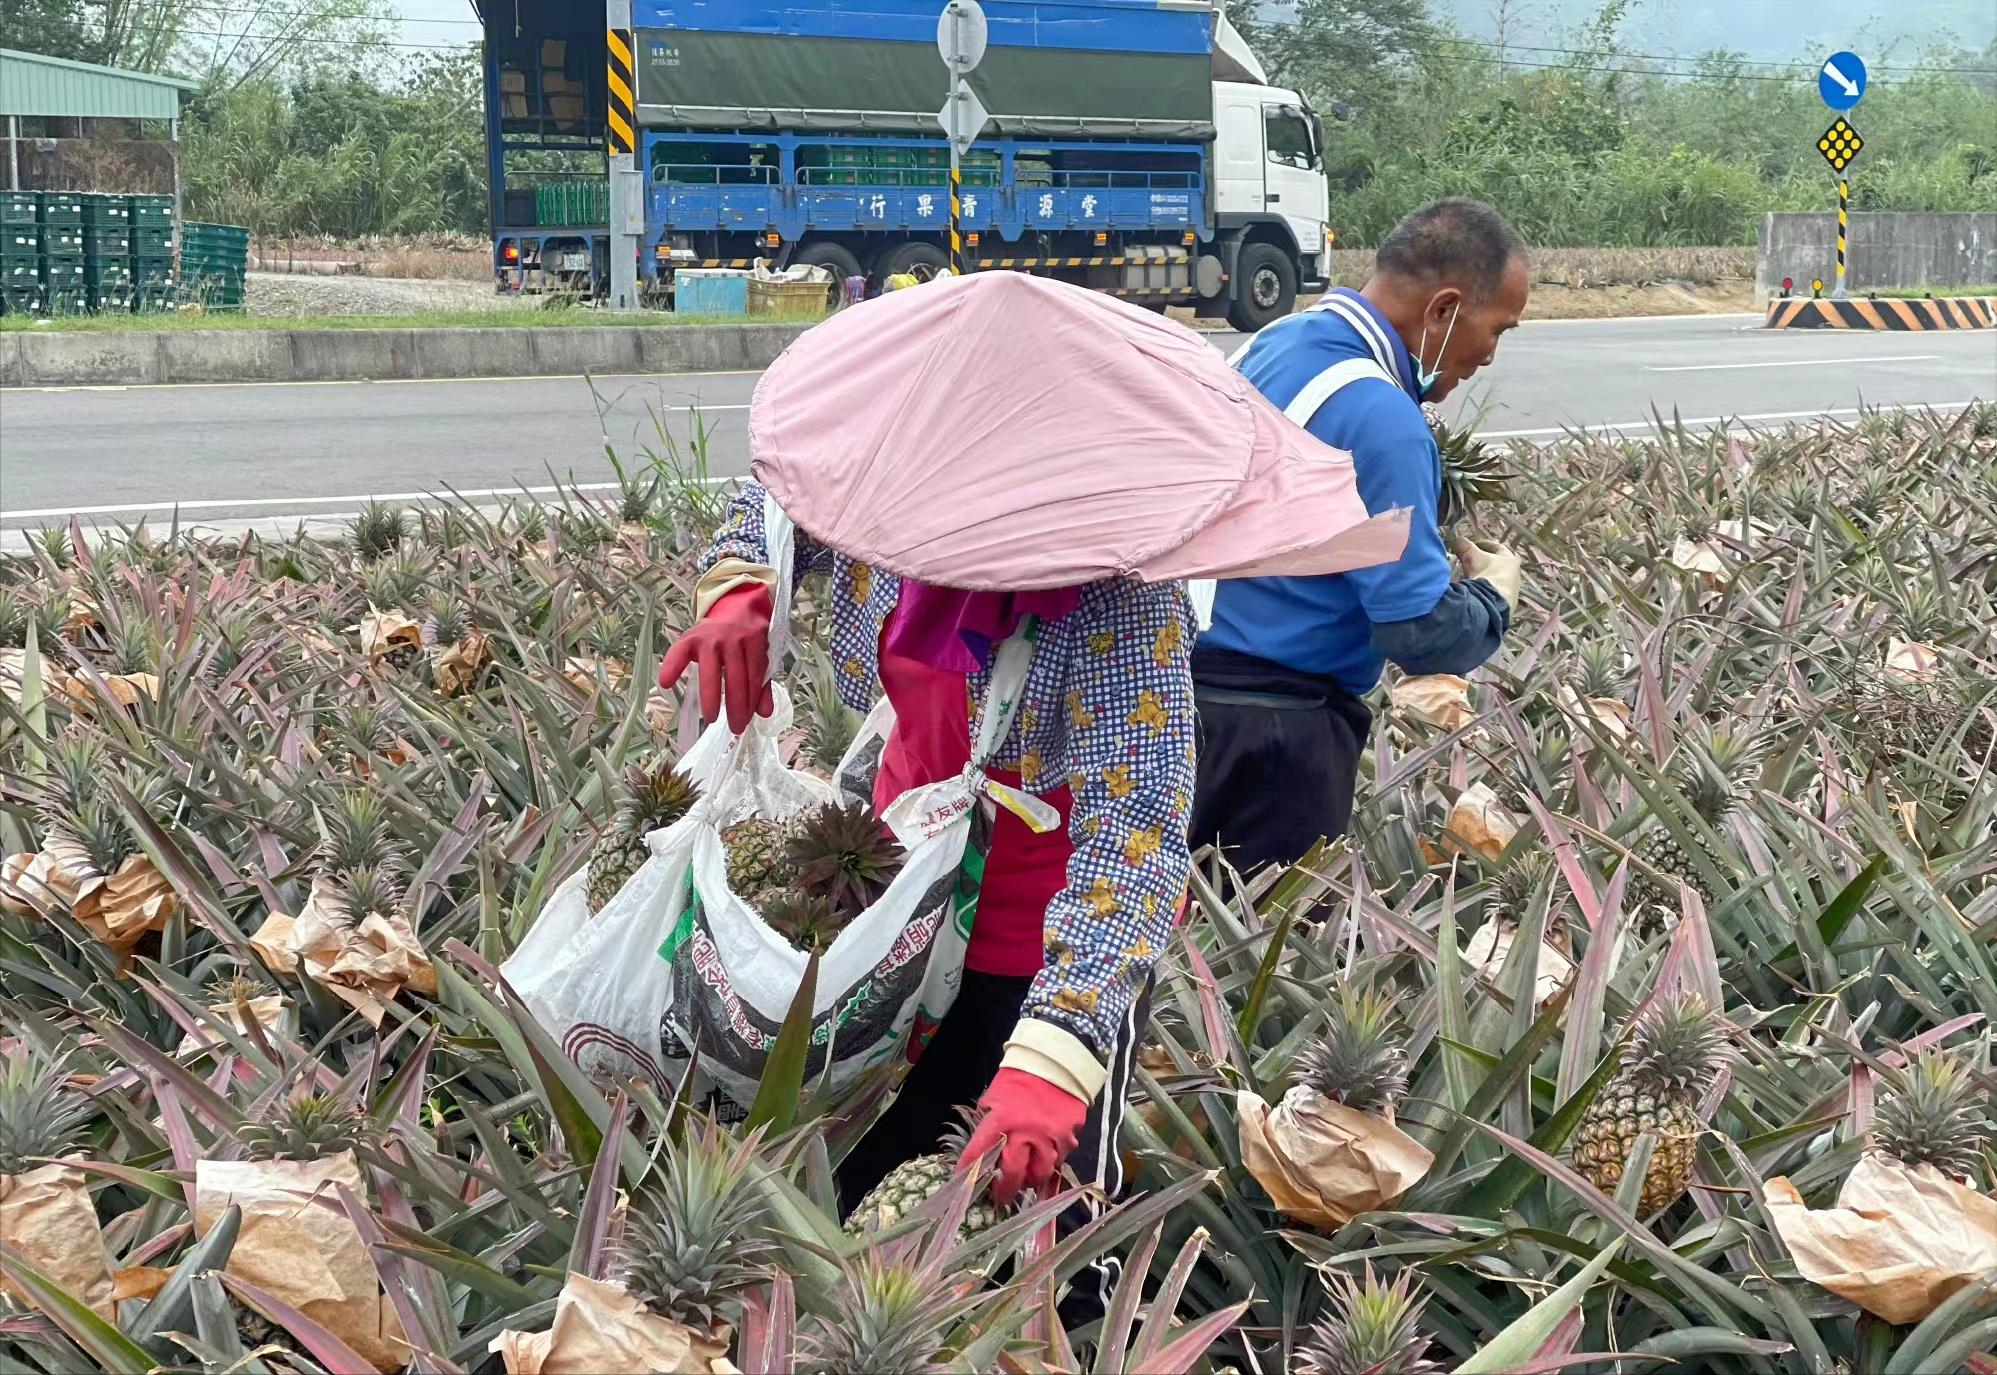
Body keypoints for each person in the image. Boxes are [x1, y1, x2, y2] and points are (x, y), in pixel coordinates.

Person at [656, 271, 1402, 1320]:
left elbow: (1137, 830)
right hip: (898, 910)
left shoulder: (1117, 605)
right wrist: (739, 586)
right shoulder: (882, 499)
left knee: (1045, 1247)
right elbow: (780, 493)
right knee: (866, 1190)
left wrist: (1054, 1054)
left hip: (1047, 946)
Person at [1189, 197, 1531, 876]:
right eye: (1497, 329)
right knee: (1264, 961)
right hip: (1279, 736)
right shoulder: (1380, 415)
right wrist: (1494, 595)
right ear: (1442, 309)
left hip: (1181, 702)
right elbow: (1416, 628)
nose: (1489, 356)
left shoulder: (1274, 342)